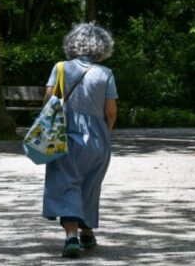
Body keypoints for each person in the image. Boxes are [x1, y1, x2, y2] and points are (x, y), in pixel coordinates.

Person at [41, 22, 118, 258]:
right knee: (90, 184)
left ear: (73, 43)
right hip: (97, 137)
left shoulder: (61, 68)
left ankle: (71, 236)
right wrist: (105, 132)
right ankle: (87, 232)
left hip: (65, 135)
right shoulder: (106, 74)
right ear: (101, 46)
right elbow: (111, 110)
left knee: (67, 183)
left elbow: (48, 100)